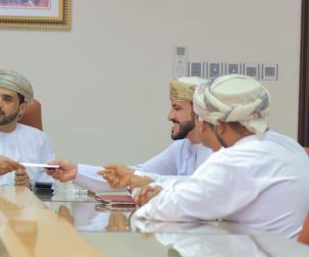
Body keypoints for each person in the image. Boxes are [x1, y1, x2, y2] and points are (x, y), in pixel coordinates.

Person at [132, 74, 309, 239]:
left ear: (219, 126)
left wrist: (148, 196)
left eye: (200, 120)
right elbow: (199, 191)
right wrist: (161, 188)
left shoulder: (234, 160)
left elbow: (164, 211)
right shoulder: (288, 145)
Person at [48, 77, 213, 193]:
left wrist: (142, 179)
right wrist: (76, 171)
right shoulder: (182, 147)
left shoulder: (216, 151)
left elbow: (201, 189)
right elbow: (138, 173)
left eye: (177, 108)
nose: (170, 116)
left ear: (199, 111)